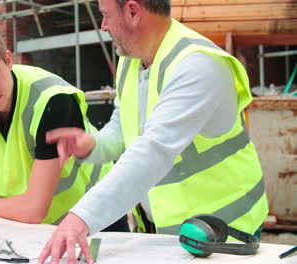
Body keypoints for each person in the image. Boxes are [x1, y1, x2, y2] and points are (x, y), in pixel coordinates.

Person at [37, 0, 269, 263]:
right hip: (170, 234)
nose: (103, 26)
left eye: (105, 15)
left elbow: (153, 152)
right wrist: (93, 145)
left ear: (133, 12)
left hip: (223, 230)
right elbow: (124, 128)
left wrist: (81, 218)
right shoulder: (131, 63)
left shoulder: (197, 65)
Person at [0, 21, 129, 233]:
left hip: (96, 217)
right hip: (28, 226)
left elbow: (33, 209)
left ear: (9, 60)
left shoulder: (52, 99)